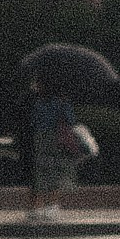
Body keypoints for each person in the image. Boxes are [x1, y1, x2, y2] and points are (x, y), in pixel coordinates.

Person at [26, 76, 81, 223]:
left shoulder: (37, 103)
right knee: (55, 171)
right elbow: (71, 120)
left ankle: (38, 207)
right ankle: (52, 206)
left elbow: (33, 121)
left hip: (40, 138)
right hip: (57, 139)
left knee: (41, 171)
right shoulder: (62, 102)